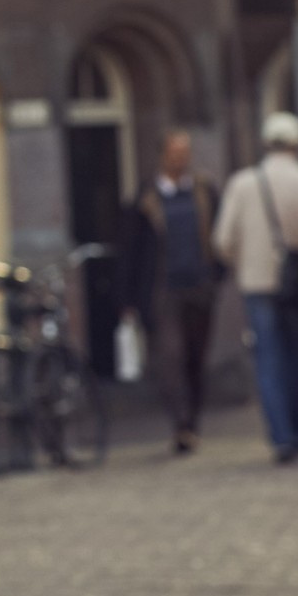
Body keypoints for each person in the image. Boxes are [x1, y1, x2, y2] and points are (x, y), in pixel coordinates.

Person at [214, 112, 298, 464]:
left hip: (257, 283)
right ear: (297, 143)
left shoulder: (242, 184)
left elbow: (223, 239)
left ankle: (281, 437)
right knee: (296, 357)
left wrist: (247, 262)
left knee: (269, 359)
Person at [118, 130, 223, 454]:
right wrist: (128, 299)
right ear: (163, 155)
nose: (180, 159)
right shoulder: (145, 199)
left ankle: (193, 421)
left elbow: (220, 235)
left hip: (200, 286)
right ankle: (180, 425)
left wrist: (217, 275)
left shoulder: (204, 192)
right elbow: (131, 250)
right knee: (170, 357)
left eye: (184, 153)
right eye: (174, 153)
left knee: (195, 358)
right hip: (163, 290)